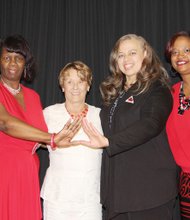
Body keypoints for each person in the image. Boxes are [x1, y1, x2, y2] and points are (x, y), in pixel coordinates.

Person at [73, 34, 179, 220]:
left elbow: (151, 124)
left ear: (145, 54)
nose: (126, 59)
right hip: (118, 193)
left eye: (132, 53)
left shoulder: (158, 89)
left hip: (150, 191)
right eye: (121, 55)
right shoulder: (114, 92)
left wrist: (108, 141)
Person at [0, 35, 81, 220]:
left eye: (18, 58)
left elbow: (38, 137)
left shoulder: (33, 96)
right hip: (4, 172)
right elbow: (5, 123)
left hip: (28, 172)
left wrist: (65, 139)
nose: (12, 62)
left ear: (25, 63)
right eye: (6, 57)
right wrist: (52, 138)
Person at [41, 61, 103, 220]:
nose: (75, 87)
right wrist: (53, 140)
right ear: (62, 86)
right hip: (57, 200)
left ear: (88, 85)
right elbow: (32, 142)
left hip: (90, 201)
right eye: (70, 82)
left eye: (81, 81)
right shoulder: (48, 114)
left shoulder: (100, 116)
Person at [165, 31, 190, 220]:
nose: (180, 56)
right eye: (175, 52)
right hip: (186, 181)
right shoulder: (170, 94)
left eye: (187, 50)